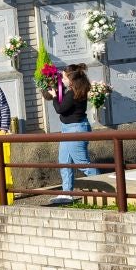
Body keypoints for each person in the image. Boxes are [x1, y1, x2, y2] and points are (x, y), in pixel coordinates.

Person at [43, 62, 100, 205]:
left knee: (83, 164)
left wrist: (55, 96)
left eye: (64, 77)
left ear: (71, 79)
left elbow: (60, 109)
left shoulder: (73, 93)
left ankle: (104, 189)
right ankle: (67, 193)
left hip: (75, 130)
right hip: (68, 129)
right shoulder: (76, 90)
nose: (62, 80)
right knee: (64, 162)